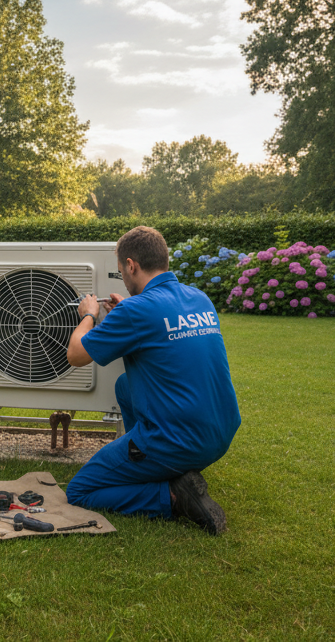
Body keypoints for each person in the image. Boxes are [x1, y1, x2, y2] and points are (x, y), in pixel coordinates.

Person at [64, 226, 241, 534]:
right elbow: (159, 331)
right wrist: (124, 312)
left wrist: (88, 315)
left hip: (178, 441)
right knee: (125, 387)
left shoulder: (136, 311)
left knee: (79, 491)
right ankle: (150, 466)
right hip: (220, 433)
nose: (123, 277)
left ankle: (172, 496)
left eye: (121, 271)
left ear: (131, 265)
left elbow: (76, 355)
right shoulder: (199, 298)